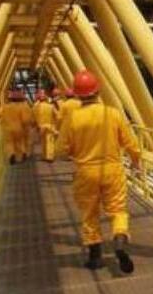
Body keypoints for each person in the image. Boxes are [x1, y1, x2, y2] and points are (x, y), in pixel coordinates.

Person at [56, 69, 141, 273]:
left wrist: (74, 153)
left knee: (89, 214)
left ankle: (95, 257)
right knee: (118, 210)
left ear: (77, 95)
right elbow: (130, 143)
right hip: (112, 169)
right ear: (98, 91)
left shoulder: (73, 118)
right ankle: (119, 239)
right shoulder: (112, 114)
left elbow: (60, 151)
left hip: (85, 171)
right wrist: (136, 161)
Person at [0, 89, 33, 164]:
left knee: (9, 143)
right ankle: (20, 157)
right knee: (19, 143)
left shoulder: (5, 107)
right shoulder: (24, 107)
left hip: (8, 128)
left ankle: (11, 154)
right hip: (19, 128)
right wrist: (27, 127)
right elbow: (25, 120)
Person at [33, 89, 57, 162]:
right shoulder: (51, 106)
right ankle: (49, 156)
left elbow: (34, 116)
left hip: (41, 126)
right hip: (50, 126)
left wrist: (36, 125)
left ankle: (44, 156)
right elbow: (58, 116)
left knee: (43, 142)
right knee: (50, 142)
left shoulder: (36, 107)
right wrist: (55, 123)